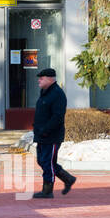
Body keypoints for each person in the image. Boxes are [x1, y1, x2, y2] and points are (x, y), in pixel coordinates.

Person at [31, 68, 76, 199]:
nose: (39, 80)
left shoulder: (57, 94)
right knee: (43, 161)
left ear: (51, 79)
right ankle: (68, 179)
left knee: (47, 162)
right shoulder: (45, 92)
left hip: (51, 136)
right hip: (41, 135)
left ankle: (47, 190)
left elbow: (57, 117)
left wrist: (45, 130)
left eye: (42, 78)